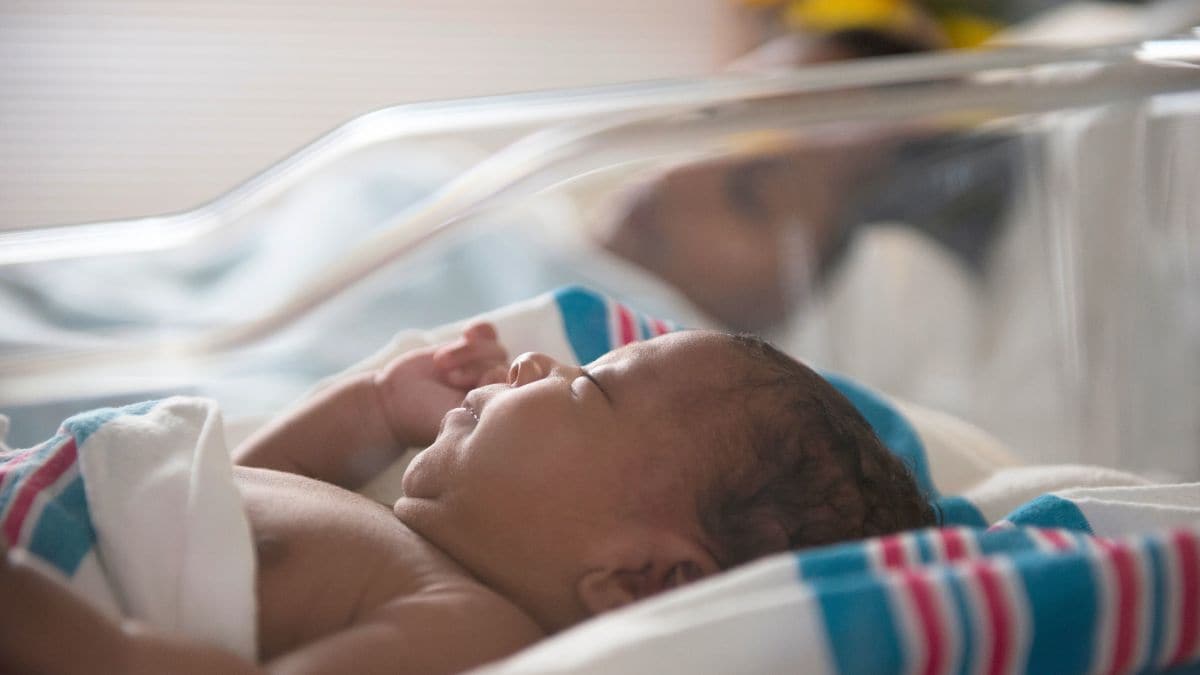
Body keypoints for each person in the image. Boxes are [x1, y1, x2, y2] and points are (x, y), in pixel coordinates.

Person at [1, 323, 934, 674]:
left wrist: (60, 632)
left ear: (638, 577)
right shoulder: (405, 549)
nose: (532, 358)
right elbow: (213, 479)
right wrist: (366, 406)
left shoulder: (468, 629)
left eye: (582, 386)